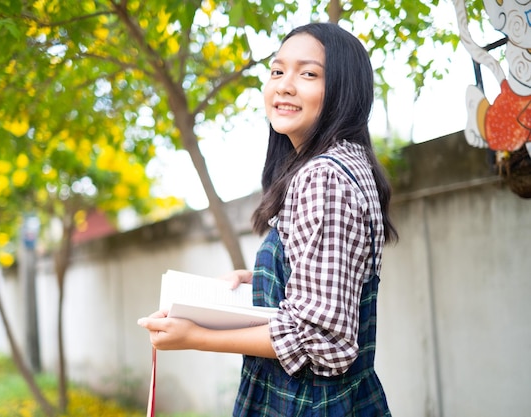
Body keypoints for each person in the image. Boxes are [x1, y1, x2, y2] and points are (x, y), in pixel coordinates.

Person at [137, 21, 398, 416]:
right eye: (277, 71)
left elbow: (320, 340)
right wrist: (259, 280)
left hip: (308, 404)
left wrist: (196, 335)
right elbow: (325, 290)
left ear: (344, 89)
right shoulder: (347, 163)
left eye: (308, 73)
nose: (284, 85)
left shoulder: (322, 176)